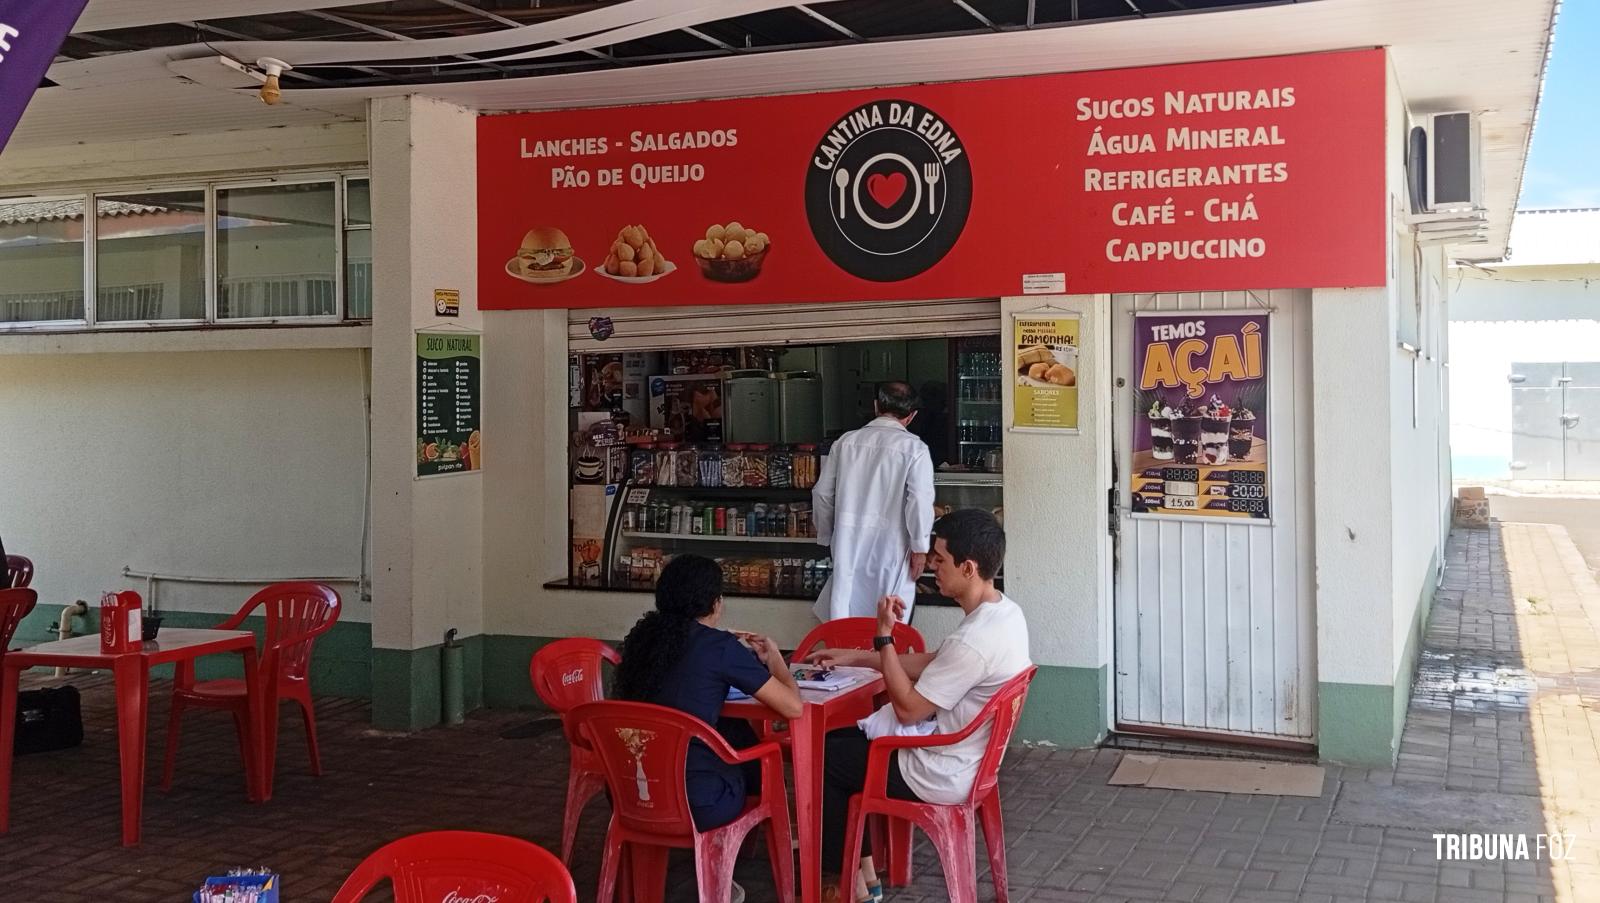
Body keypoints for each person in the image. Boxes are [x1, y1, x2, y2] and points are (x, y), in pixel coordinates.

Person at [806, 510, 1030, 903]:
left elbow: (909, 710)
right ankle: (866, 876)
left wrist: (884, 639)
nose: (931, 568)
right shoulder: (1005, 613)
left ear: (969, 567)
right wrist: (854, 657)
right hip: (971, 760)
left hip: (941, 770)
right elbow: (933, 663)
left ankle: (844, 887)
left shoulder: (973, 641)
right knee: (838, 745)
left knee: (821, 760)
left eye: (940, 560)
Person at [614, 554, 803, 903]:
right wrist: (775, 659)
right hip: (699, 800)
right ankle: (732, 863)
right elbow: (792, 707)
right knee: (758, 753)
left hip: (629, 793)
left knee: (731, 728)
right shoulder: (719, 646)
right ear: (715, 603)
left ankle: (709, 872)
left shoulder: (639, 641)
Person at [812, 381, 936, 623]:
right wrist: (920, 548)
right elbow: (919, 502)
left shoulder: (845, 443)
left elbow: (822, 494)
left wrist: (827, 535)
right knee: (887, 618)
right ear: (911, 416)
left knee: (845, 616)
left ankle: (846, 658)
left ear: (876, 406)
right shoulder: (915, 449)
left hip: (847, 544)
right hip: (893, 547)